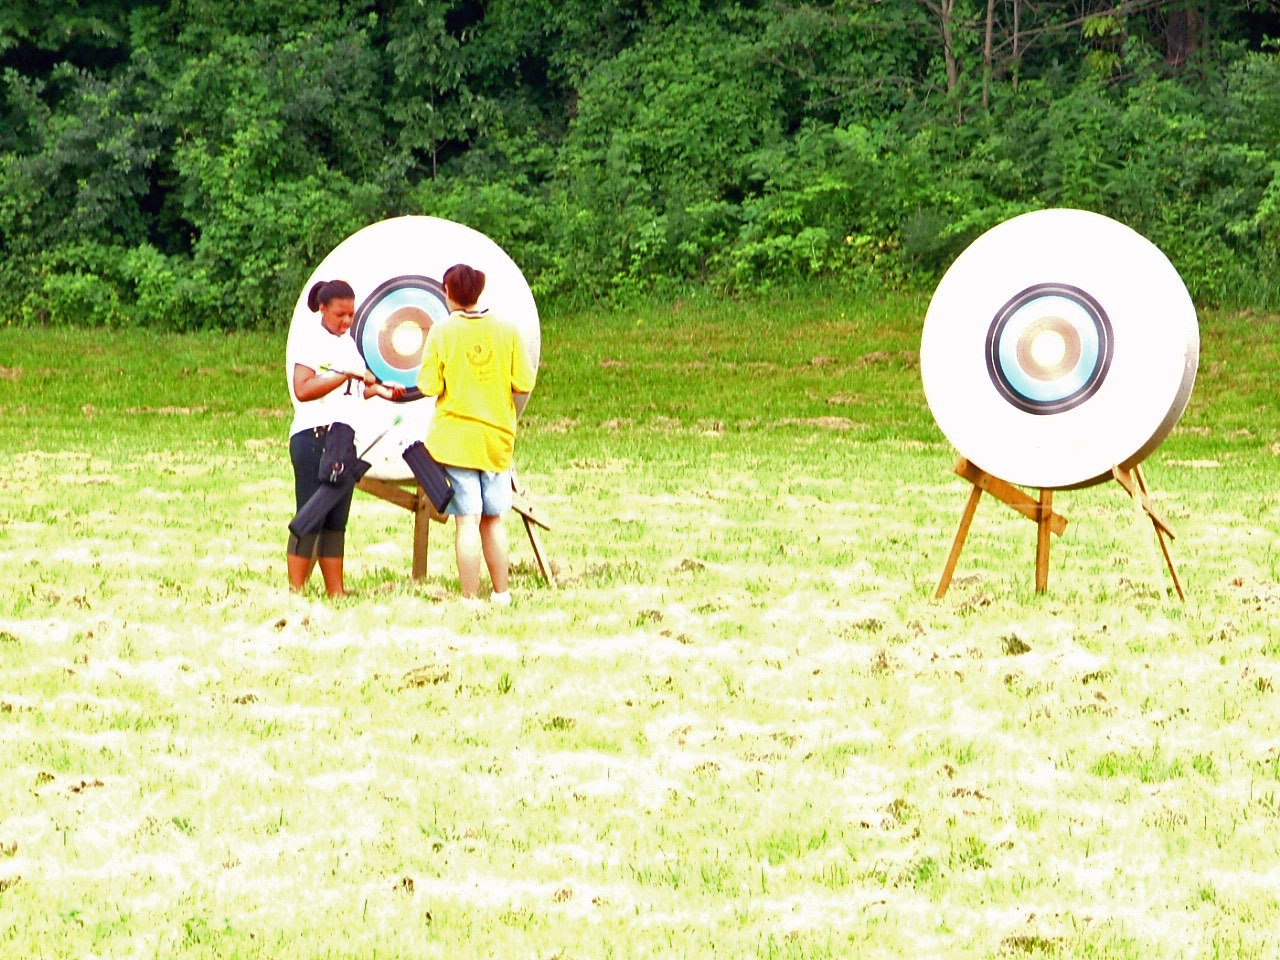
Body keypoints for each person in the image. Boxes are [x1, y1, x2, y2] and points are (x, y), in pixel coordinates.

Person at [418, 263, 536, 606]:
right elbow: (523, 382)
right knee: (493, 519)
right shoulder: (507, 330)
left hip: (455, 441)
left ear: (447, 292)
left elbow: (428, 385)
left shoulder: (441, 332)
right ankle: (501, 593)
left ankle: (470, 598)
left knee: (466, 521)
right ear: (480, 290)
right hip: (496, 440)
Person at [286, 279, 403, 596]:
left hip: (343, 437)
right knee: (311, 513)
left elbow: (354, 389)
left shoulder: (348, 344)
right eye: (340, 314)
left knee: (336, 519)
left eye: (351, 314)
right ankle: (296, 590)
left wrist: (380, 390)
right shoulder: (310, 340)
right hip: (314, 436)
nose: (347, 321)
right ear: (322, 308)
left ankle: (336, 591)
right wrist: (344, 374)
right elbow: (303, 388)